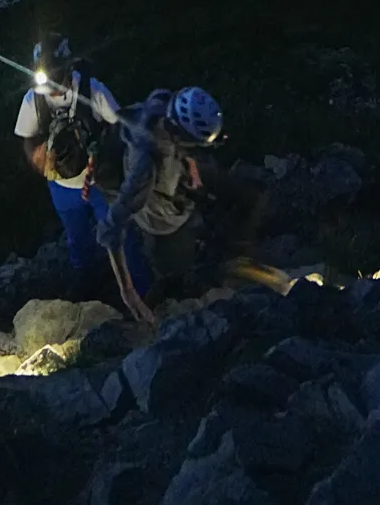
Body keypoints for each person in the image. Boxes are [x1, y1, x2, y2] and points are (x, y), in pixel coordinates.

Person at [13, 41, 150, 304]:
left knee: (121, 236)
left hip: (99, 181)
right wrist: (35, 158)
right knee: (77, 239)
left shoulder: (91, 89)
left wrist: (107, 159)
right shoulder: (32, 100)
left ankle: (142, 291)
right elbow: (26, 138)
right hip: (62, 185)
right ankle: (88, 287)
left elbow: (119, 125)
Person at [95, 84, 224, 310]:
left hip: (173, 183)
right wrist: (128, 291)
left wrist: (192, 169)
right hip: (160, 220)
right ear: (180, 134)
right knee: (175, 271)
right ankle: (163, 303)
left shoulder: (162, 102)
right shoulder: (145, 166)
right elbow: (112, 226)